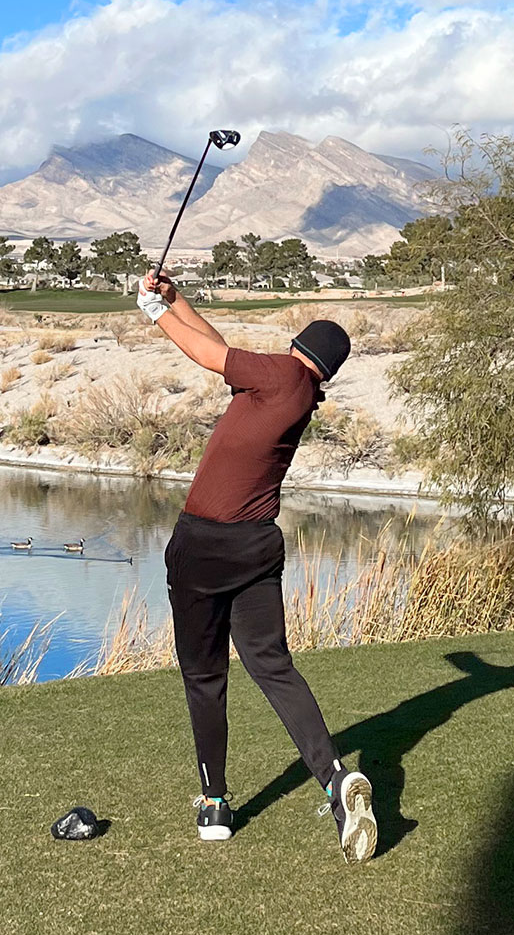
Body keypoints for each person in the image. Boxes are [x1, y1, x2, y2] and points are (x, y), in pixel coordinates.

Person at [136, 268, 376, 864]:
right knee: (271, 666)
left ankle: (215, 802)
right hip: (258, 546)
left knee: (204, 674)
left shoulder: (281, 376)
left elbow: (209, 355)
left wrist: (152, 312)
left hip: (203, 547)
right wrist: (177, 300)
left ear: (299, 349)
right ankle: (336, 781)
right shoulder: (293, 391)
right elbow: (226, 357)